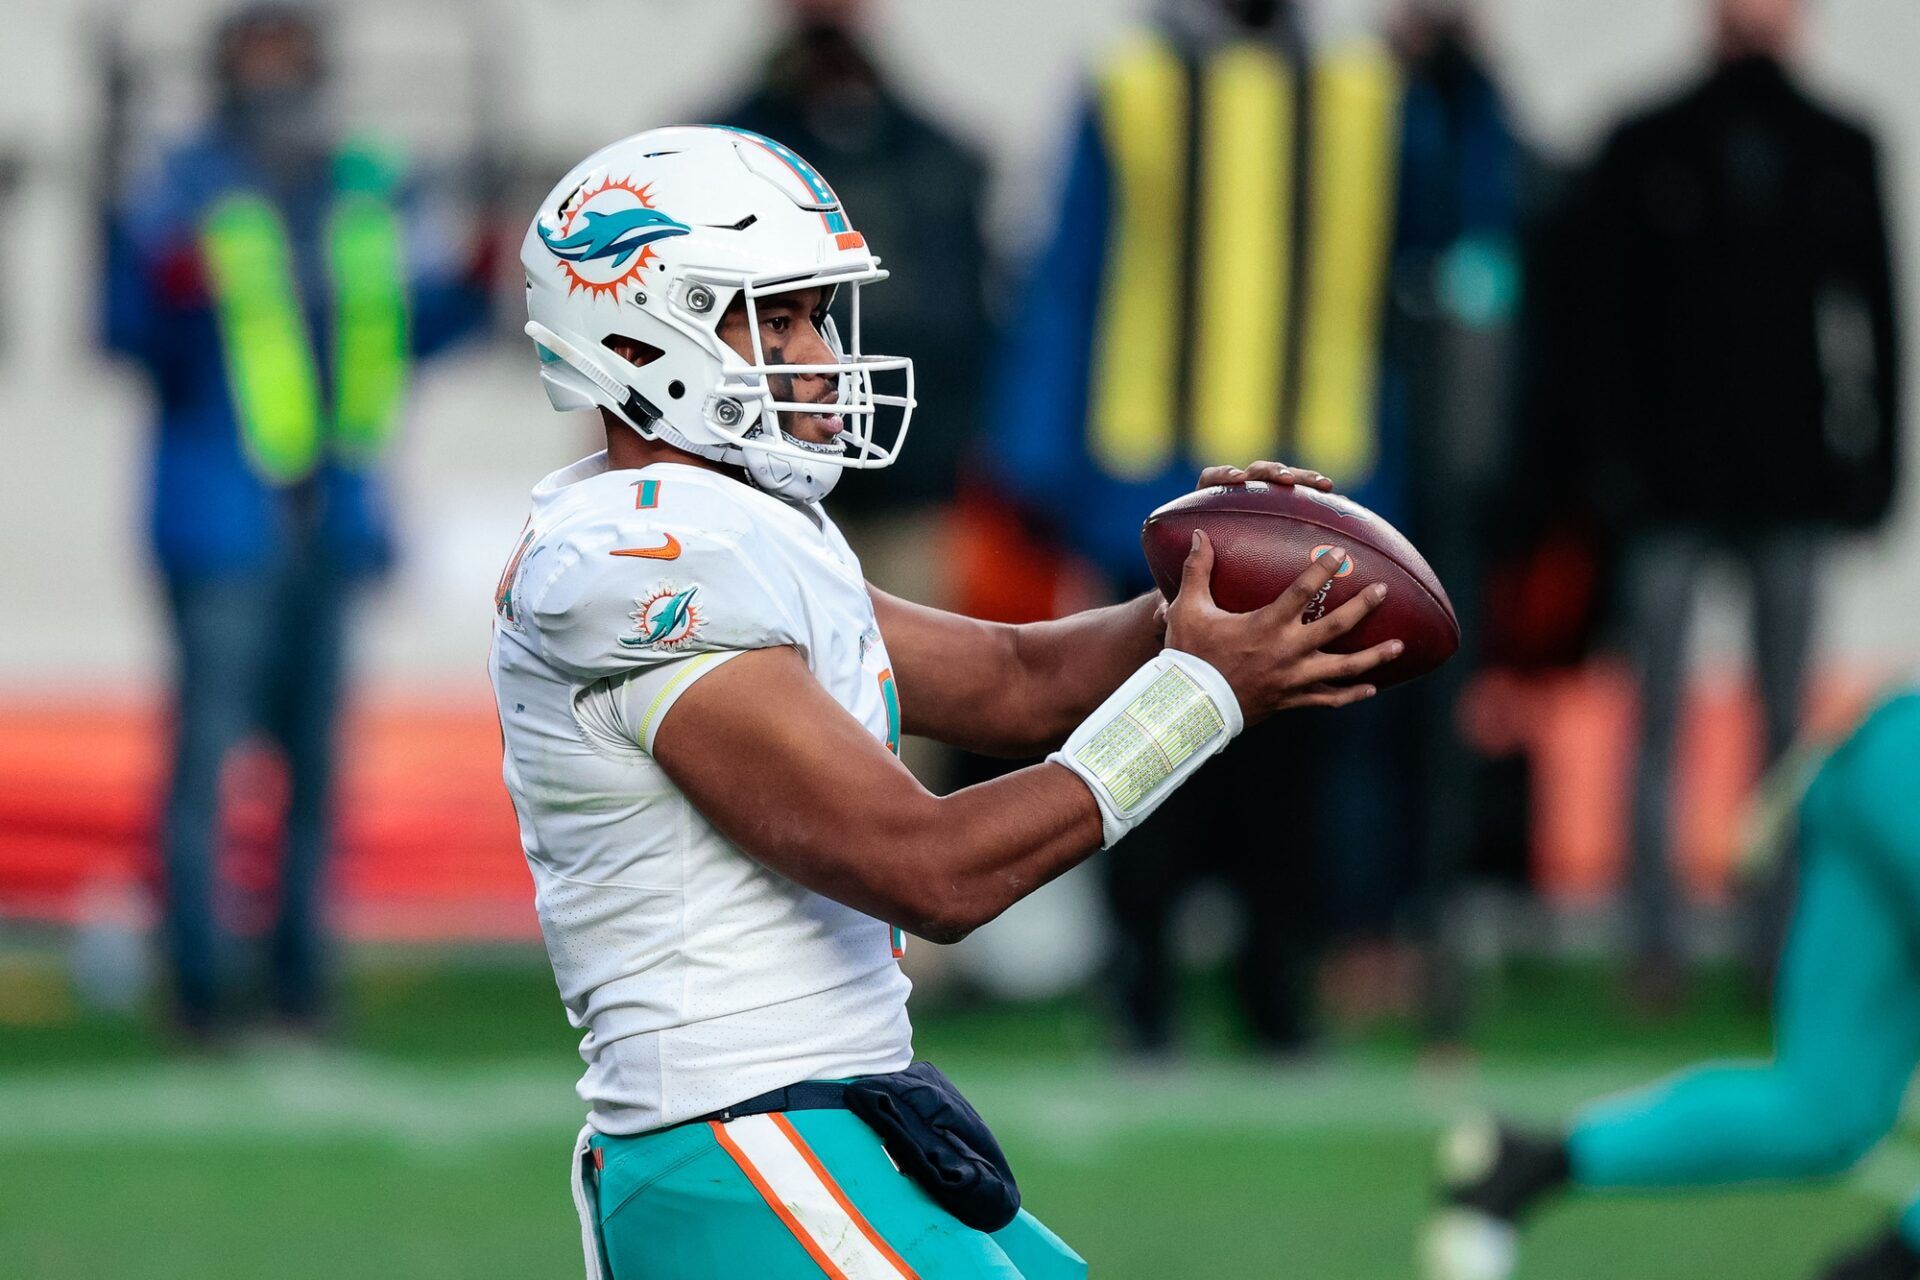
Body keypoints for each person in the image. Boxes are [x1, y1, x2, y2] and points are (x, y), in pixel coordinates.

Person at [495, 125, 1402, 1278]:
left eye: (817, 315)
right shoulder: (636, 561)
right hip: (734, 1137)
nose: (817, 354)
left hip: (828, 1112)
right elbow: (931, 869)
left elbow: (1013, 679)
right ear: (634, 335)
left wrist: (1196, 600)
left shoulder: (737, 522)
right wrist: (1202, 696)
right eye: (772, 320)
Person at [991, 0, 1494, 1053]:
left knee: (1302, 751)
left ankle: (1279, 986)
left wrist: (1462, 70)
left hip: (1328, 470)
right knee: (1147, 738)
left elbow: (1469, 225)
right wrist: (1052, 476)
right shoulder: (1132, 77)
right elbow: (1070, 270)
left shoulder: (1371, 83)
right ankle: (1141, 985)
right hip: (1154, 471)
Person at [102, 3, 489, 1039]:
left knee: (315, 765)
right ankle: (196, 982)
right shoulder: (183, 184)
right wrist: (162, 284)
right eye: (256, 61)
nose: (276, 83)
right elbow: (128, 328)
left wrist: (480, 275)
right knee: (209, 761)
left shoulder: (365, 186)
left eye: (292, 60)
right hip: (222, 517)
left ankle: (301, 978)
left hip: (333, 516)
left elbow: (412, 324)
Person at [1558, 0, 1901, 1000]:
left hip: (1792, 477)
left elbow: (1876, 314)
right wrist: (1609, 466)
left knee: (1788, 723)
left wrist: (1877, 463)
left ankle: (1782, 938)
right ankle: (1653, 940)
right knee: (1653, 708)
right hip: (1669, 485)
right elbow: (1604, 326)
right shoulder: (1647, 141)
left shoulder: (1839, 146)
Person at [1423, 689, 1920, 1280]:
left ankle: (1528, 1163)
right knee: (1826, 1109)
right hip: (1897, 769)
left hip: (1883, 756)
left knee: (1824, 1112)